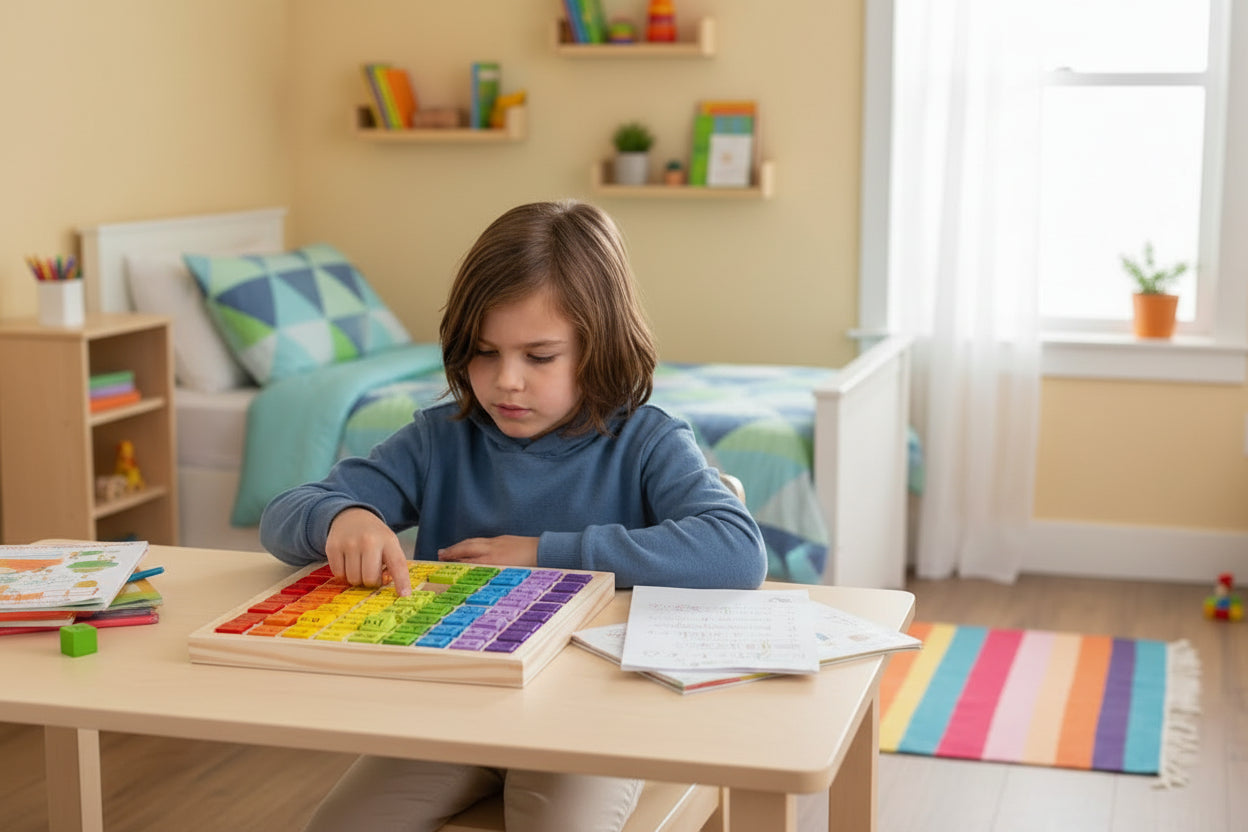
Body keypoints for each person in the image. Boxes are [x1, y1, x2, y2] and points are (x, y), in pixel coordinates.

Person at [259, 199, 767, 832]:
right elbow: (284, 513)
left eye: (539, 356)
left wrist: (543, 554)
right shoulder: (440, 441)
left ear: (599, 345)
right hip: (453, 713)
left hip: (591, 724)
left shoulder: (647, 442)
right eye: (483, 352)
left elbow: (736, 550)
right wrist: (345, 518)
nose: (505, 381)